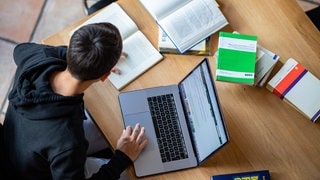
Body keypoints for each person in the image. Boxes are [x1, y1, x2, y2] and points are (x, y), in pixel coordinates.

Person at [1, 22, 148, 179]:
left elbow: (20, 50)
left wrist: (85, 59)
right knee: (131, 173)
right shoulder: (69, 142)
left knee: (117, 127)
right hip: (42, 171)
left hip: (21, 146)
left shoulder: (36, 60)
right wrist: (121, 158)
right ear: (105, 76)